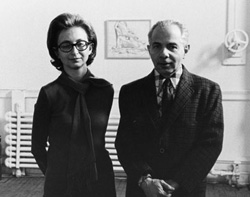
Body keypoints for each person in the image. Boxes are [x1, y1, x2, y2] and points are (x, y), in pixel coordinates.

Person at [115, 20, 224, 197]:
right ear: (149, 49)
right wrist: (146, 180)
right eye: (157, 46)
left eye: (172, 46)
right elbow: (125, 143)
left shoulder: (208, 91)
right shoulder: (130, 92)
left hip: (187, 189)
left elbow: (210, 144)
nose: (163, 54)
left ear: (185, 49)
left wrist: (175, 183)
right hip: (143, 190)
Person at [31, 13, 116, 197]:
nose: (75, 52)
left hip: (100, 179)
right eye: (66, 46)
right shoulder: (49, 93)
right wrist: (55, 174)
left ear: (90, 47)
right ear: (56, 52)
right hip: (61, 183)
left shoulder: (105, 90)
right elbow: (37, 146)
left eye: (80, 44)